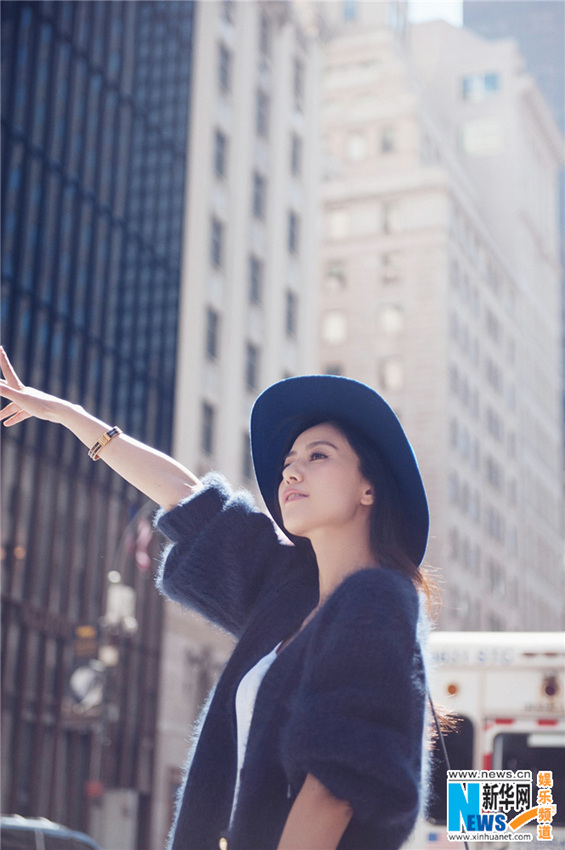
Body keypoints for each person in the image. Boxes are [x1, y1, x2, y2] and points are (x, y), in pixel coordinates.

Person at [0, 346, 433, 850]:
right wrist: (66, 415)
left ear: (370, 488)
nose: (290, 472)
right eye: (289, 461)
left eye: (318, 455)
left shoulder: (380, 599)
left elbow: (333, 792)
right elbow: (189, 499)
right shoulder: (287, 593)